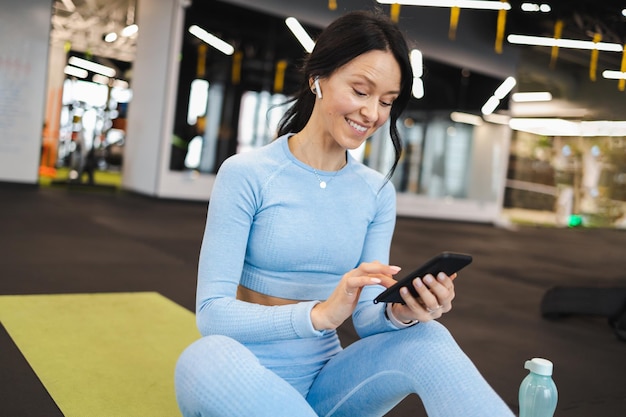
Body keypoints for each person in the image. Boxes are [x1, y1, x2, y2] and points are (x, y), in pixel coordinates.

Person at [174, 10, 514, 417]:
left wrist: (401, 312)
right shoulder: (247, 174)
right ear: (318, 78)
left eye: (387, 101)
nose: (373, 113)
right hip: (239, 377)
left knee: (429, 337)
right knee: (206, 354)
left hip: (326, 387)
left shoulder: (376, 192)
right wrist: (318, 315)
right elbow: (212, 313)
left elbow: (368, 319)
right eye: (360, 90)